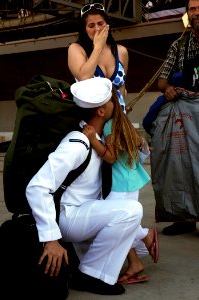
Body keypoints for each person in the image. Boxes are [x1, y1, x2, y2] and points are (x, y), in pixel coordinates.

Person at [26, 77, 145, 295]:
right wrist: (50, 237)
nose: (114, 104)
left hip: (83, 212)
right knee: (131, 210)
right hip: (68, 217)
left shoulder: (95, 138)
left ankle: (92, 271)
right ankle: (90, 275)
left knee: (128, 208)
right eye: (111, 101)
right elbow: (37, 187)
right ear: (101, 111)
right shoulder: (77, 143)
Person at [82, 88, 159, 284]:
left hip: (120, 184)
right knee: (122, 224)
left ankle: (146, 235)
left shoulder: (109, 126)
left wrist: (92, 140)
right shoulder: (120, 122)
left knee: (118, 222)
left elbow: (111, 156)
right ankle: (134, 263)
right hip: (129, 181)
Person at [143, 0, 199, 235]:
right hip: (186, 112)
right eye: (193, 9)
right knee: (181, 164)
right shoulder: (180, 44)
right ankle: (184, 216)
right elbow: (162, 79)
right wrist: (167, 89)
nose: (196, 13)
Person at [68, 3, 128, 112]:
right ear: (84, 29)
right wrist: (98, 48)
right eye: (91, 25)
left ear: (107, 25)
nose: (97, 28)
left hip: (119, 118)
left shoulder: (121, 51)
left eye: (101, 23)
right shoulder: (76, 49)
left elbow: (122, 88)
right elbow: (83, 77)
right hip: (93, 121)